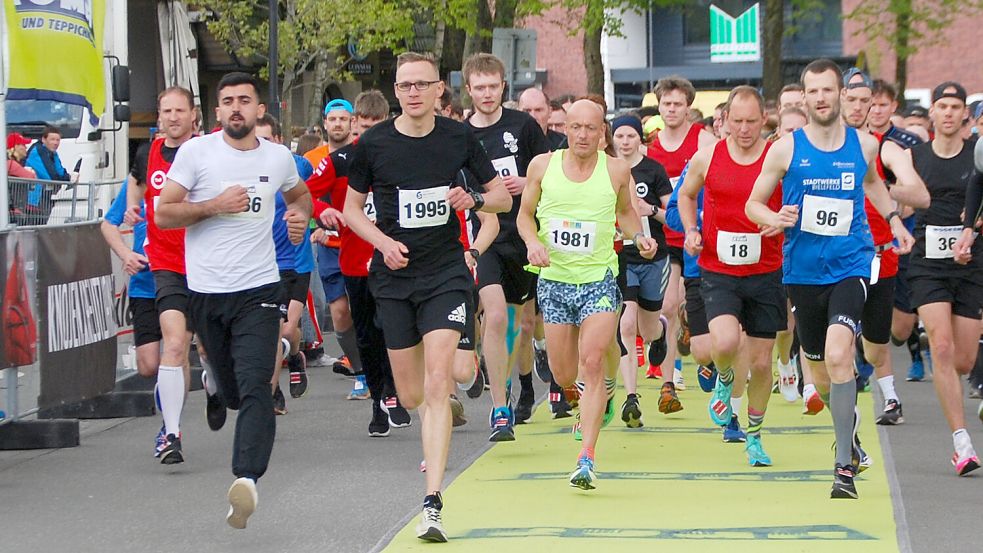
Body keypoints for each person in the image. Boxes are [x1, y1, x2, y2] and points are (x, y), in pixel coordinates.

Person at [342, 52, 509, 542]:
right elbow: (352, 210)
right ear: (396, 91)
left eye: (423, 84)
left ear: (440, 90)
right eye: (405, 85)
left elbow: (500, 198)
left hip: (445, 272)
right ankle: (460, 362)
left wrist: (473, 199)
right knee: (413, 394)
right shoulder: (373, 144)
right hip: (394, 278)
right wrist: (382, 243)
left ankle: (432, 502)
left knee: (437, 386)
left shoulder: (460, 138)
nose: (413, 92)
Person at [746, 58, 913, 499]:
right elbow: (753, 204)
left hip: (851, 264)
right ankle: (849, 434)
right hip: (803, 271)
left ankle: (843, 467)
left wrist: (894, 219)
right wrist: (774, 216)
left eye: (828, 90)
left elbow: (874, 184)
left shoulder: (864, 145)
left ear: (842, 95)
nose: (821, 98)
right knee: (821, 374)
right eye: (813, 91)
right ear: (804, 97)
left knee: (842, 355)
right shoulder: (785, 148)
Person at [156, 71, 312, 528]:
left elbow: (299, 195)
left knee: (257, 387)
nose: (237, 108)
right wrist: (214, 205)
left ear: (259, 109)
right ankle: (211, 383)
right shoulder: (196, 153)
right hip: (206, 293)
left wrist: (300, 217)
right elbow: (164, 214)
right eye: (228, 101)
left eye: (245, 100)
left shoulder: (279, 157)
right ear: (217, 111)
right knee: (231, 392)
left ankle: (247, 480)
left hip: (260, 290)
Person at [518, 99, 658, 490]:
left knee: (592, 361)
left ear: (602, 134)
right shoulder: (543, 166)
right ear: (566, 129)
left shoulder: (615, 169)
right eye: (575, 127)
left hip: (598, 277)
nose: (581, 135)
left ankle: (587, 458)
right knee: (565, 374)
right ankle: (593, 387)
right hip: (555, 280)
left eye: (590, 129)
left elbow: (625, 212)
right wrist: (532, 242)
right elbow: (524, 215)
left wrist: (638, 237)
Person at [680, 86, 786, 467]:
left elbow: (796, 199)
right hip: (718, 267)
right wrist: (692, 229)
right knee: (723, 342)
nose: (743, 129)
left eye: (751, 121)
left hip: (766, 269)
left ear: (764, 120)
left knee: (761, 363)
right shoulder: (707, 157)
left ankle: (754, 435)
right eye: (736, 121)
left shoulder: (778, 158)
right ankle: (725, 379)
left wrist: (782, 222)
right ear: (723, 120)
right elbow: (686, 196)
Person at [310, 89, 413, 436]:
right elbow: (303, 191)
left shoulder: (399, 156)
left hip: (393, 259)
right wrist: (321, 210)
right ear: (354, 124)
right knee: (367, 334)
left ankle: (395, 394)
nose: (367, 134)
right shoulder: (340, 160)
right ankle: (377, 401)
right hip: (354, 262)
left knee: (392, 328)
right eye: (362, 127)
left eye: (374, 126)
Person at [464, 52, 552, 437]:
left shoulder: (524, 127)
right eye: (479, 87)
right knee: (496, 317)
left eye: (492, 86)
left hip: (525, 235)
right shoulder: (461, 135)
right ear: (468, 90)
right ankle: (500, 407)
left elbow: (551, 171)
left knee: (523, 323)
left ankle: (523, 383)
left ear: (503, 86)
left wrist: (525, 183)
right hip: (486, 236)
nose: (486, 93)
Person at [841, 70, 930, 427]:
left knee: (886, 338)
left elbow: (920, 195)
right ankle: (863, 402)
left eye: (869, 101)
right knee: (840, 331)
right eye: (855, 99)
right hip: (835, 255)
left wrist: (878, 188)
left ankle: (886, 387)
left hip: (880, 253)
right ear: (839, 100)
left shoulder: (885, 148)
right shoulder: (817, 147)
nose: (862, 107)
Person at [124, 87, 199, 463]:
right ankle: (171, 433)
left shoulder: (207, 151)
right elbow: (135, 185)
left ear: (193, 115)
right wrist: (133, 210)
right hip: (166, 263)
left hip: (207, 262)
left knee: (204, 352)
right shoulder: (147, 151)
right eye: (165, 110)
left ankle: (215, 389)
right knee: (174, 347)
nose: (172, 117)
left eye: (179, 111)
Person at [912, 82, 983, 476]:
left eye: (957, 107)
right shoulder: (915, 156)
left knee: (963, 359)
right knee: (940, 346)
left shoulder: (978, 156)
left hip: (972, 262)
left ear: (965, 116)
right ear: (933, 113)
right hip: (928, 264)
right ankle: (962, 441)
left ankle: (958, 395)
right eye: (943, 106)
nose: (950, 113)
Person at [645, 76, 716, 401]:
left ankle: (698, 331)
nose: (671, 109)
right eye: (666, 104)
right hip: (665, 234)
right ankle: (671, 376)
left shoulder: (703, 140)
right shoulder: (653, 146)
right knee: (668, 305)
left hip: (698, 235)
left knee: (698, 300)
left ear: (689, 107)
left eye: (678, 104)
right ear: (659, 106)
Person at [611, 114, 672, 427]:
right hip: (622, 256)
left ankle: (660, 332)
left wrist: (652, 211)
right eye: (619, 136)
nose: (624, 142)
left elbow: (672, 216)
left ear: (639, 139)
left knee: (647, 329)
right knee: (626, 322)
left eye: (630, 136)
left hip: (653, 256)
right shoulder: (606, 170)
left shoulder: (653, 170)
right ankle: (630, 397)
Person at [254, 114, 315, 415]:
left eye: (267, 139)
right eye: (257, 139)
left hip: (297, 261)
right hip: (267, 263)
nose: (262, 145)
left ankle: (295, 358)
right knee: (275, 332)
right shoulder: (247, 170)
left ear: (279, 140)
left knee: (289, 330)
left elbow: (314, 193)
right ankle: (273, 394)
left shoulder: (296, 165)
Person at [101, 183, 161, 380]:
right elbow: (109, 224)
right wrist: (126, 254)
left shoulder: (189, 170)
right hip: (145, 284)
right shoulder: (137, 182)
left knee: (176, 351)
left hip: (183, 280)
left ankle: (174, 403)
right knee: (148, 366)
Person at [23, 126, 72, 224]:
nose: (55, 143)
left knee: (42, 225)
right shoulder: (39, 150)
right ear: (43, 139)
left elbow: (60, 171)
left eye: (58, 140)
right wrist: (68, 178)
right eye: (52, 139)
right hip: (33, 199)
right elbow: (51, 177)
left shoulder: (53, 153)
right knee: (35, 227)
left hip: (44, 196)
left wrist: (67, 176)